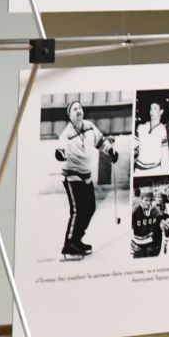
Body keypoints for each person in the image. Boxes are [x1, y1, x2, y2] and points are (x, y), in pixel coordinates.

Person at [54, 99, 103, 256]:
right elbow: (59, 150)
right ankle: (68, 245)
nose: (78, 110)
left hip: (86, 175)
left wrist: (111, 152)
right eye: (74, 109)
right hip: (72, 175)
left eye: (80, 108)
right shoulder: (66, 134)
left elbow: (100, 141)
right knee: (78, 210)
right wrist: (60, 155)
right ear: (69, 115)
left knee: (90, 208)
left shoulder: (89, 126)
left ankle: (76, 239)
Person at [135, 100, 169, 173]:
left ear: (161, 112)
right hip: (139, 170)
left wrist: (164, 173)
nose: (152, 111)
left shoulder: (163, 131)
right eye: (151, 109)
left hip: (155, 170)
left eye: (155, 108)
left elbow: (165, 155)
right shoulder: (141, 127)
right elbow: (133, 145)